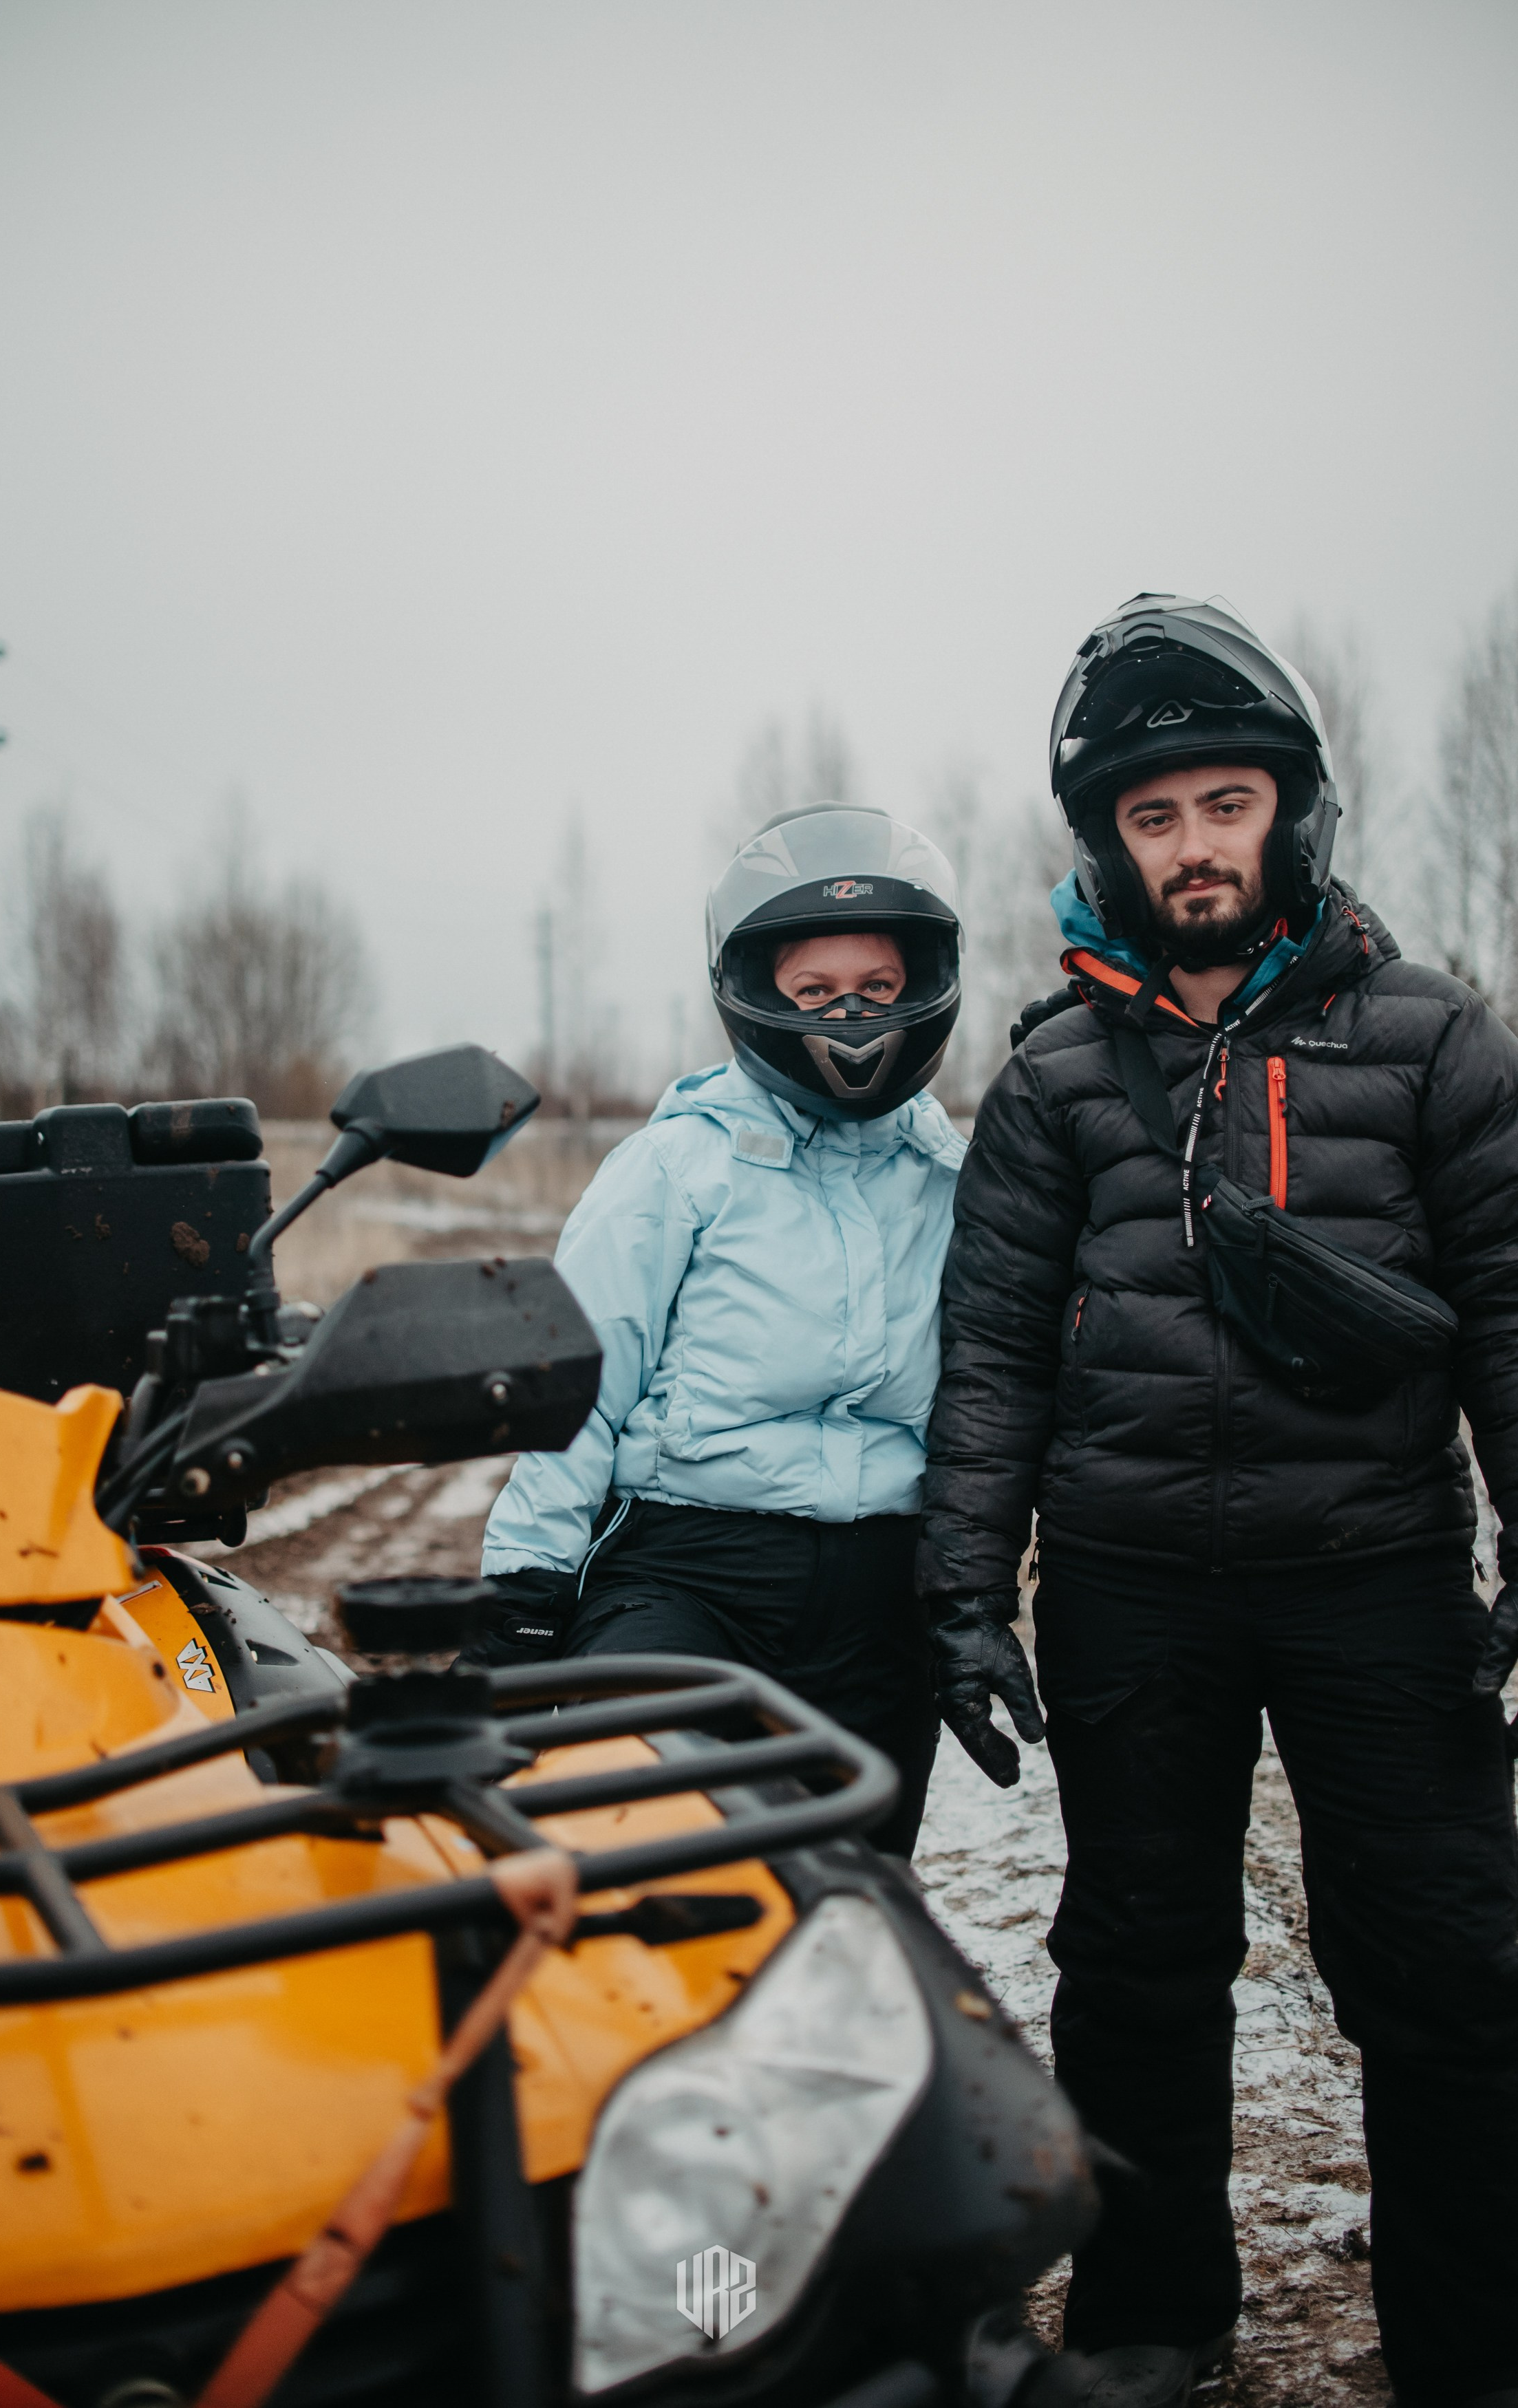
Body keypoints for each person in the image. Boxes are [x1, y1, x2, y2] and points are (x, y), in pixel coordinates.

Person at [917, 593, 1518, 2408]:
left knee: (1444, 1968)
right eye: (1155, 814)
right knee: (1135, 1964)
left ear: (1289, 811)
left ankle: (1475, 2344)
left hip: (1377, 1580)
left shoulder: (1429, 1040)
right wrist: (961, 1589)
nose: (1193, 845)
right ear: (1106, 836)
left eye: (1224, 804)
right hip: (1127, 1589)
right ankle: (1147, 2322)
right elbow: (996, 1350)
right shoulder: (1048, 1076)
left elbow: (1503, 1307)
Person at [480, 803, 968, 1855]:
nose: (851, 1016)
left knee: (852, 1894)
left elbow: (996, 1392)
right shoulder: (674, 1168)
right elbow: (575, 1388)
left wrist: (979, 1592)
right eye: (816, 993)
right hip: (689, 1569)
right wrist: (523, 1591)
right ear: (758, 994)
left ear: (922, 983)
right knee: (667, 1869)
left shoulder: (954, 1177)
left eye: (877, 989)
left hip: (882, 1592)